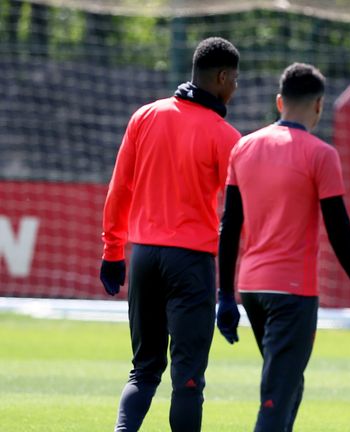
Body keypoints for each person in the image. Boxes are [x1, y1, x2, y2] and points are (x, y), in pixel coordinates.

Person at [216, 62, 350, 432]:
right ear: (319, 106)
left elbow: (229, 226)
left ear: (280, 102)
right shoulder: (320, 154)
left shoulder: (243, 148)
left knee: (290, 385)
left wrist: (225, 296)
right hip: (293, 293)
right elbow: (340, 232)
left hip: (252, 290)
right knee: (276, 397)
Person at [99, 37, 241, 432]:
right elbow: (240, 213)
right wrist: (229, 287)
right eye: (235, 81)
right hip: (191, 262)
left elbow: (119, 189)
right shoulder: (225, 136)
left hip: (143, 256)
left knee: (142, 371)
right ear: (222, 77)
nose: (236, 89)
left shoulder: (145, 116)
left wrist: (113, 251)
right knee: (188, 380)